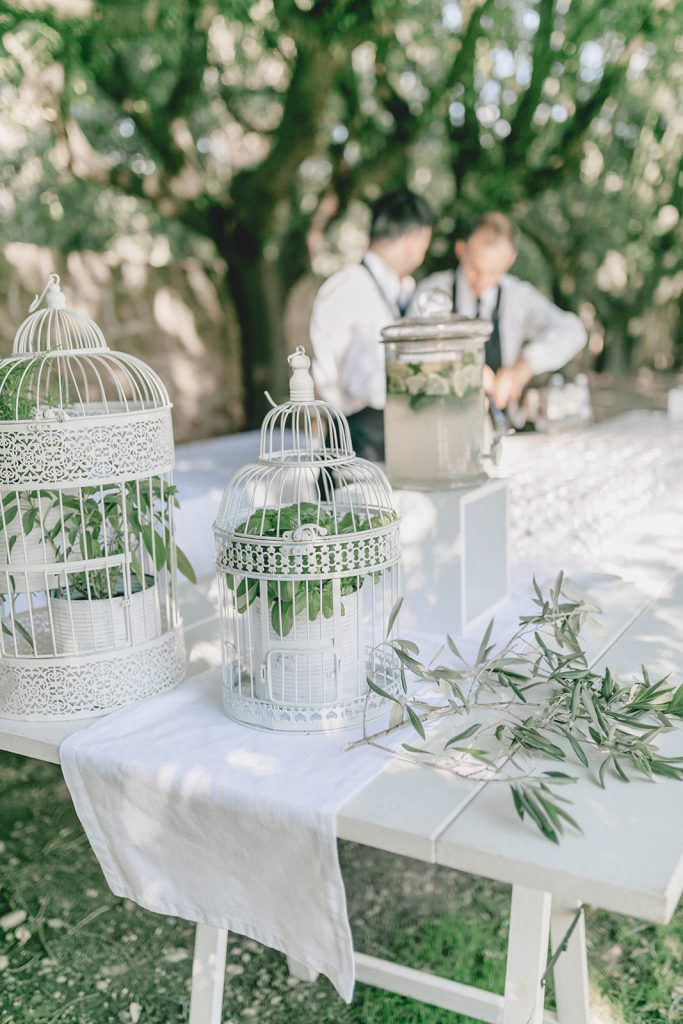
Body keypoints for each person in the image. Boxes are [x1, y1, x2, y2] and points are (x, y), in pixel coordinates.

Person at [412, 212, 586, 411]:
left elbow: (573, 331)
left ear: (510, 260)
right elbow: (412, 352)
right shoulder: (433, 292)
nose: (481, 281)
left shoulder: (518, 296)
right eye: (475, 269)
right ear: (461, 250)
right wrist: (462, 368)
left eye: (493, 272)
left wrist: (522, 369)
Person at [309, 189, 433, 460]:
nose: (422, 255)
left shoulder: (402, 289)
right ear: (414, 239)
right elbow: (366, 383)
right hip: (357, 443)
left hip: (394, 435)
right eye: (425, 246)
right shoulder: (347, 288)